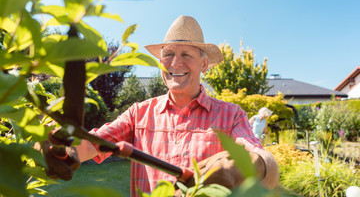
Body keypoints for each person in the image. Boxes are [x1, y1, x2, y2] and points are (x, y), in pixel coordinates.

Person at [43, 15, 279, 196]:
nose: (175, 62)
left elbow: (264, 164)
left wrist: (240, 166)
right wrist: (65, 151)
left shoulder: (231, 115)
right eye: (168, 54)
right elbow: (96, 144)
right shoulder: (139, 113)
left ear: (204, 64)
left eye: (186, 54)